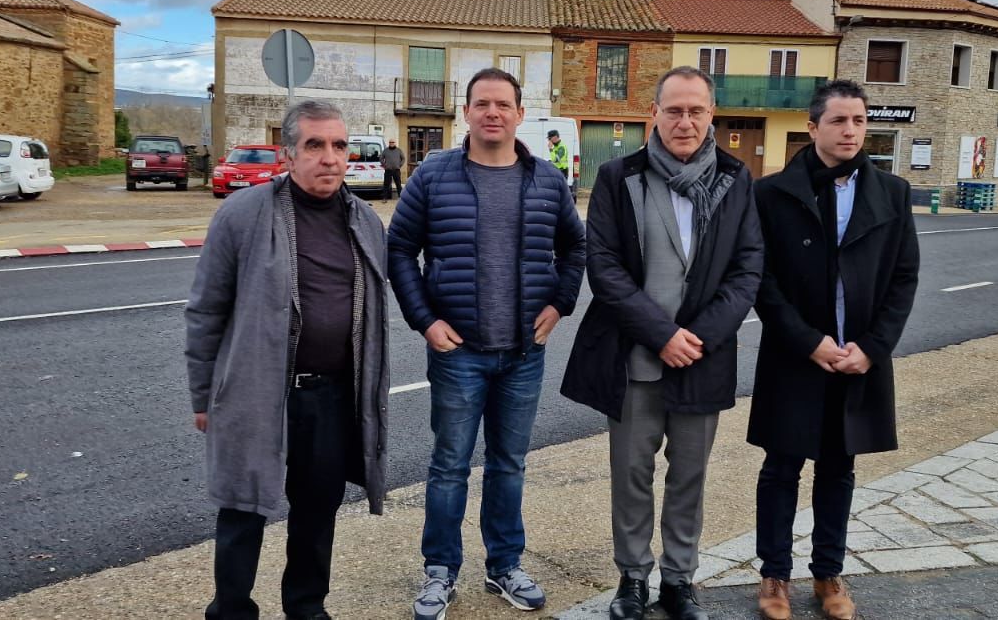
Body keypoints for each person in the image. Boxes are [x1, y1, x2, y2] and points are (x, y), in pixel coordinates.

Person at [562, 66, 763, 620]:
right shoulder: (617, 176)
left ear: (711, 116)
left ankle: (679, 580)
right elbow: (603, 268)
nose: (684, 121)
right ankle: (632, 578)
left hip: (702, 357)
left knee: (689, 478)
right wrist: (661, 334)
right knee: (630, 476)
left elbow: (747, 269)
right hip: (634, 360)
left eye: (696, 110)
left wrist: (696, 337)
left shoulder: (735, 178)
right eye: (673, 109)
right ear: (655, 113)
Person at [388, 68, 586, 619]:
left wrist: (560, 303)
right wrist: (425, 320)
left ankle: (504, 567)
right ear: (467, 112)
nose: (492, 112)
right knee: (449, 465)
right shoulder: (433, 175)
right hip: (458, 353)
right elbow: (399, 249)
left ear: (521, 113)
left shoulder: (546, 179)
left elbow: (576, 247)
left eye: (503, 103)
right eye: (482, 103)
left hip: (524, 353)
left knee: (509, 464)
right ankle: (440, 572)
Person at [186, 100, 391, 620]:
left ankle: (306, 607)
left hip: (330, 395)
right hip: (257, 392)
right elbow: (207, 310)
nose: (329, 158)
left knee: (318, 512)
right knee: (243, 508)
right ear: (288, 154)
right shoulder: (243, 214)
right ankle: (230, 609)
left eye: (339, 145)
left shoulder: (364, 221)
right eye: (315, 145)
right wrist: (203, 395)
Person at [749, 79, 920, 620]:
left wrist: (872, 348)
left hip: (857, 358)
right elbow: (761, 279)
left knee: (838, 468)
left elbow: (904, 277)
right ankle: (774, 574)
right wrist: (807, 341)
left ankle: (829, 573)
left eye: (859, 121)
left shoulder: (891, 193)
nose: (850, 131)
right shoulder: (771, 194)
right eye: (839, 121)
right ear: (813, 125)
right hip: (795, 354)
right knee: (781, 467)